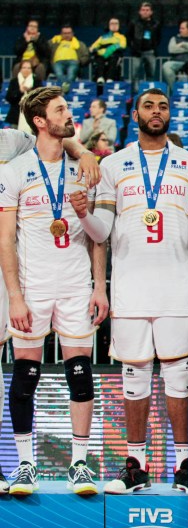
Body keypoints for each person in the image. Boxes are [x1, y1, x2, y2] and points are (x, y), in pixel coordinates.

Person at [73, 88, 188, 493]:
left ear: (169, 116)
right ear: (136, 113)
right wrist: (82, 215)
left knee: (178, 379)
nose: (157, 112)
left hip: (177, 290)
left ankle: (185, 467)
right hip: (130, 290)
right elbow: (102, 232)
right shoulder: (113, 165)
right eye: (149, 105)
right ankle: (135, 468)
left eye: (163, 106)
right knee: (135, 380)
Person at [0, 87, 108, 495]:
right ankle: (25, 465)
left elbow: (99, 235)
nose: (69, 113)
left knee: (80, 375)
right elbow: (5, 239)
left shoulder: (85, 169)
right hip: (33, 284)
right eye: (60, 109)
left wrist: (100, 287)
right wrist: (14, 295)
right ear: (40, 122)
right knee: (26, 374)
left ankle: (79, 465)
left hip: (77, 284)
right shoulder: (13, 171)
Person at [127, 2, 161, 84]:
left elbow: (158, 37)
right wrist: (133, 48)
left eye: (147, 10)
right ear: (139, 12)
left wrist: (154, 46)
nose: (145, 12)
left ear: (151, 12)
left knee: (151, 74)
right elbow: (128, 36)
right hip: (137, 52)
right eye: (143, 10)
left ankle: (149, 92)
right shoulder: (133, 23)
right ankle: (135, 94)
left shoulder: (156, 24)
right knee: (134, 75)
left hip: (150, 52)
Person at [49, 24, 89, 93]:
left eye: (69, 33)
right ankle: (66, 88)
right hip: (58, 62)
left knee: (71, 73)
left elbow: (86, 55)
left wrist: (80, 62)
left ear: (73, 34)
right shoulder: (54, 42)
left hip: (73, 62)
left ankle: (64, 89)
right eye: (64, 33)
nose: (67, 35)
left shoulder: (79, 44)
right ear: (61, 34)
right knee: (59, 74)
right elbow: (44, 49)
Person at [89, 18, 127, 83]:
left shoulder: (121, 37)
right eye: (112, 24)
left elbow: (123, 45)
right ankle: (100, 78)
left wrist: (110, 49)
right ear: (108, 25)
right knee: (99, 59)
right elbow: (92, 47)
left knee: (113, 58)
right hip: (102, 55)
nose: (114, 25)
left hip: (114, 54)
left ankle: (110, 78)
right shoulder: (103, 37)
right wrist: (95, 50)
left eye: (116, 24)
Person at [5, 60, 39, 130]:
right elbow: (9, 98)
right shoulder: (14, 81)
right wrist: (20, 91)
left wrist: (30, 91)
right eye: (24, 67)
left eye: (29, 68)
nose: (26, 70)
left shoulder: (37, 81)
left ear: (32, 69)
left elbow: (40, 98)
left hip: (32, 116)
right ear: (20, 69)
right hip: (15, 117)